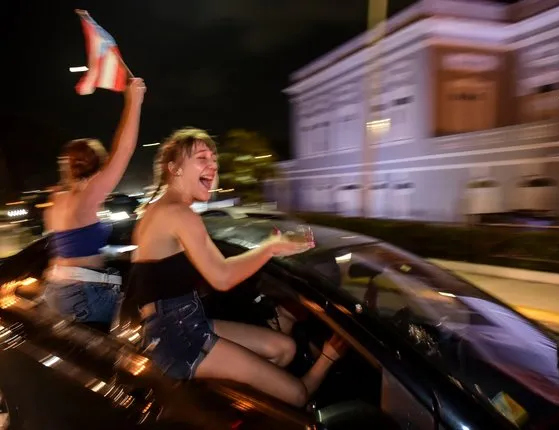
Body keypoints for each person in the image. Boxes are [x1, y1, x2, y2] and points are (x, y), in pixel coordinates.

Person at [127, 128, 346, 407]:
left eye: (214, 158)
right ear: (175, 169)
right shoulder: (178, 214)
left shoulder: (158, 210)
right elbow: (222, 277)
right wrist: (271, 247)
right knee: (298, 394)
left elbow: (218, 266)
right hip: (179, 335)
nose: (213, 164)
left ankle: (251, 404)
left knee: (284, 348)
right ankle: (315, 370)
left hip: (177, 323)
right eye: (201, 157)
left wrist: (269, 245)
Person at [43, 78, 146, 332]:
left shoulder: (57, 200)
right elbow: (123, 151)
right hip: (84, 296)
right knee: (150, 322)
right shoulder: (87, 196)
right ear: (98, 166)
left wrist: (113, 253)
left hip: (58, 291)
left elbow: (73, 249)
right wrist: (134, 101)